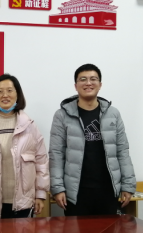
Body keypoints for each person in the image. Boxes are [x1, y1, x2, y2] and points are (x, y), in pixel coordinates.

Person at [49, 63, 135, 216]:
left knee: (108, 231)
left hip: (108, 191)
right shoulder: (62, 115)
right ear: (75, 86)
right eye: (83, 79)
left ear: (100, 84)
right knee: (75, 232)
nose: (88, 83)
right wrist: (58, 188)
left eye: (93, 79)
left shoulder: (113, 114)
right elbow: (56, 154)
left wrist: (128, 185)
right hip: (75, 193)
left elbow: (123, 151)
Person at [0, 74, 49, 219]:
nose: (5, 95)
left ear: (17, 94)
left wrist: (40, 194)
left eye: (9, 90)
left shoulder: (30, 126)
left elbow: (41, 162)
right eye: (0, 91)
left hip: (24, 202)